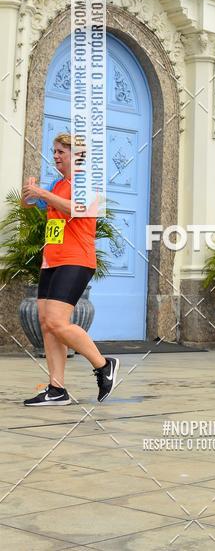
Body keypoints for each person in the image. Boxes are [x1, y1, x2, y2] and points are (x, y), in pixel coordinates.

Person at [21, 133, 119, 406]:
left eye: (61, 151)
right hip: (51, 260)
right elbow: (35, 205)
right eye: (54, 151)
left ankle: (103, 365)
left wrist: (43, 193)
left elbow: (76, 209)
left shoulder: (88, 183)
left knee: (56, 322)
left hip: (76, 259)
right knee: (47, 325)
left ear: (76, 155)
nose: (55, 156)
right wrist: (28, 194)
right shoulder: (57, 184)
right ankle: (56, 389)